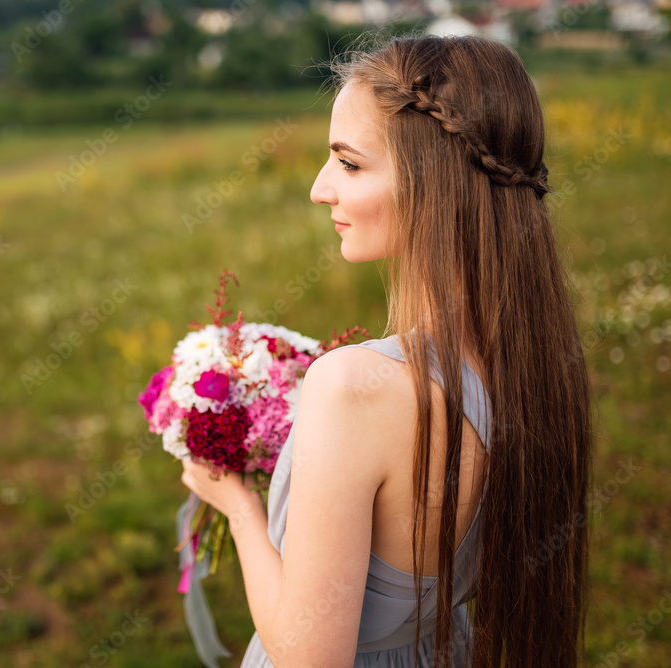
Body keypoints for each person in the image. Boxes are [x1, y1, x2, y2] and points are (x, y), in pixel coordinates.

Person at [180, 34, 593, 667]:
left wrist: (238, 508)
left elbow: (305, 658)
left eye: (348, 164)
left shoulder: (351, 388)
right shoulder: (536, 362)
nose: (321, 190)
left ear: (433, 182)